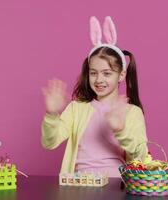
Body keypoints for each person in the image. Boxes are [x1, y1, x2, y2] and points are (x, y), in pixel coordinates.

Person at [41, 16, 148, 177]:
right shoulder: (76, 109)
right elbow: (50, 143)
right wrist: (51, 114)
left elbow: (140, 157)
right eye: (93, 73)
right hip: (79, 186)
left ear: (121, 75)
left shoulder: (132, 112)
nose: (99, 80)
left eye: (107, 73)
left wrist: (121, 130)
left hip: (116, 185)